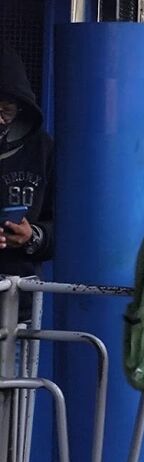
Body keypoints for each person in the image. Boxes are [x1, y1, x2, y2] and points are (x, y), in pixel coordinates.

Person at [0, 43, 54, 321]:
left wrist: (32, 236)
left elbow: (66, 225)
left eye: (6, 110)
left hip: (17, 305)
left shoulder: (42, 149)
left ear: (20, 109)